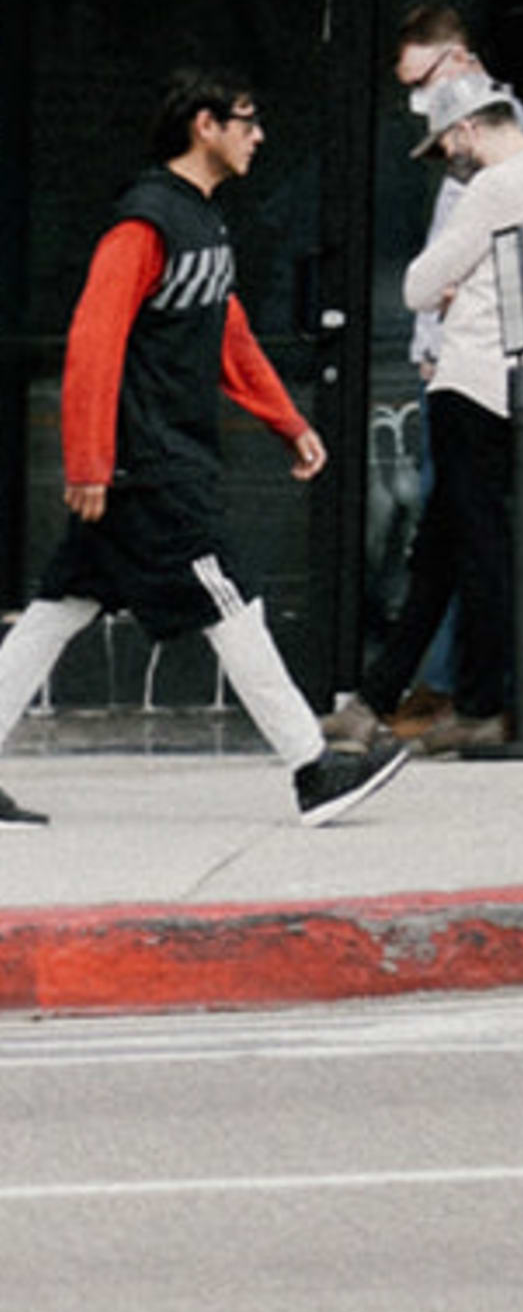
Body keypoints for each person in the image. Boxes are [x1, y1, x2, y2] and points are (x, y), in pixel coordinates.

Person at [0, 73, 410, 832]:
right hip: (149, 464)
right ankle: (312, 767)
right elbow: (94, 343)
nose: (259, 137)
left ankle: (314, 767)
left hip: (151, 458)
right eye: (246, 122)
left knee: (56, 610)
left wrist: (287, 419)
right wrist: (88, 462)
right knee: (233, 600)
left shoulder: (204, 224)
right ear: (204, 126)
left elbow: (228, 333)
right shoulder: (145, 223)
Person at [358, 71, 523, 755]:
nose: (445, 159)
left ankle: (483, 702)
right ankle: (378, 696)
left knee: (473, 548)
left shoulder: (492, 187)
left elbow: (417, 285)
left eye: (443, 144)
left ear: (466, 130)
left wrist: (455, 283)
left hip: (468, 382)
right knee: (447, 545)